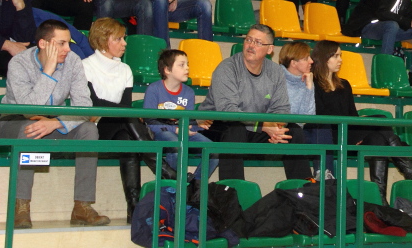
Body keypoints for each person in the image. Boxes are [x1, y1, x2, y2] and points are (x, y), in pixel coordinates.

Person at [0, 20, 109, 229]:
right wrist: (48, 71)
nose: (68, 49)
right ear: (43, 44)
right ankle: (20, 206)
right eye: (61, 44)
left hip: (52, 122)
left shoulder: (73, 61)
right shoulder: (19, 63)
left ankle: (82, 206)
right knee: (30, 129)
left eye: (68, 43)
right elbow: (30, 110)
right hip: (13, 121)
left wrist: (55, 123)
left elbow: (85, 106)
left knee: (89, 130)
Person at [309, 40, 412, 204]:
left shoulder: (344, 84)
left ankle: (380, 200)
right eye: (335, 56)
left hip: (349, 132)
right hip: (331, 135)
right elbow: (320, 117)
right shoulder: (313, 84)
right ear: (324, 58)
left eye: (340, 55)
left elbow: (352, 115)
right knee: (381, 120)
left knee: (378, 140)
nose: (340, 59)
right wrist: (358, 128)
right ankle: (409, 170)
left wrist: (360, 129)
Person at [82, 18, 178, 222]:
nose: (124, 43)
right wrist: (128, 112)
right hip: (93, 126)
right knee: (129, 118)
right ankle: (164, 170)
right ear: (102, 40)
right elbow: (94, 104)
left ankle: (134, 208)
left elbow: (124, 106)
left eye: (124, 38)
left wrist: (127, 112)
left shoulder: (125, 69)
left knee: (129, 139)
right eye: (118, 39)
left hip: (120, 126)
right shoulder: (85, 66)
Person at [198, 24, 312, 181]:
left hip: (255, 128)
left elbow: (282, 108)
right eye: (248, 40)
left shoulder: (275, 71)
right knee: (235, 129)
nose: (251, 45)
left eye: (258, 42)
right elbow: (227, 111)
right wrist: (263, 125)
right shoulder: (227, 68)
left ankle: (302, 190)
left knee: (294, 131)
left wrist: (276, 128)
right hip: (217, 126)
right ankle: (233, 190)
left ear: (270, 49)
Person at [144, 48, 217, 186]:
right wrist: (177, 130)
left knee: (212, 150)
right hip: (161, 132)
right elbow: (151, 121)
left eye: (187, 64)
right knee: (176, 145)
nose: (187, 68)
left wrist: (197, 125)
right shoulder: (154, 89)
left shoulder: (188, 92)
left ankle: (195, 186)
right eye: (182, 65)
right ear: (167, 70)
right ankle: (172, 186)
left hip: (182, 131)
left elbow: (187, 121)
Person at [279, 42, 332, 176]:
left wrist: (308, 87)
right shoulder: (277, 78)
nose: (311, 61)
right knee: (295, 129)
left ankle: (323, 173)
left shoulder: (307, 79)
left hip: (299, 131)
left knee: (322, 125)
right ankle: (307, 180)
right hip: (281, 130)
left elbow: (309, 116)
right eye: (306, 58)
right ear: (293, 63)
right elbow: (285, 114)